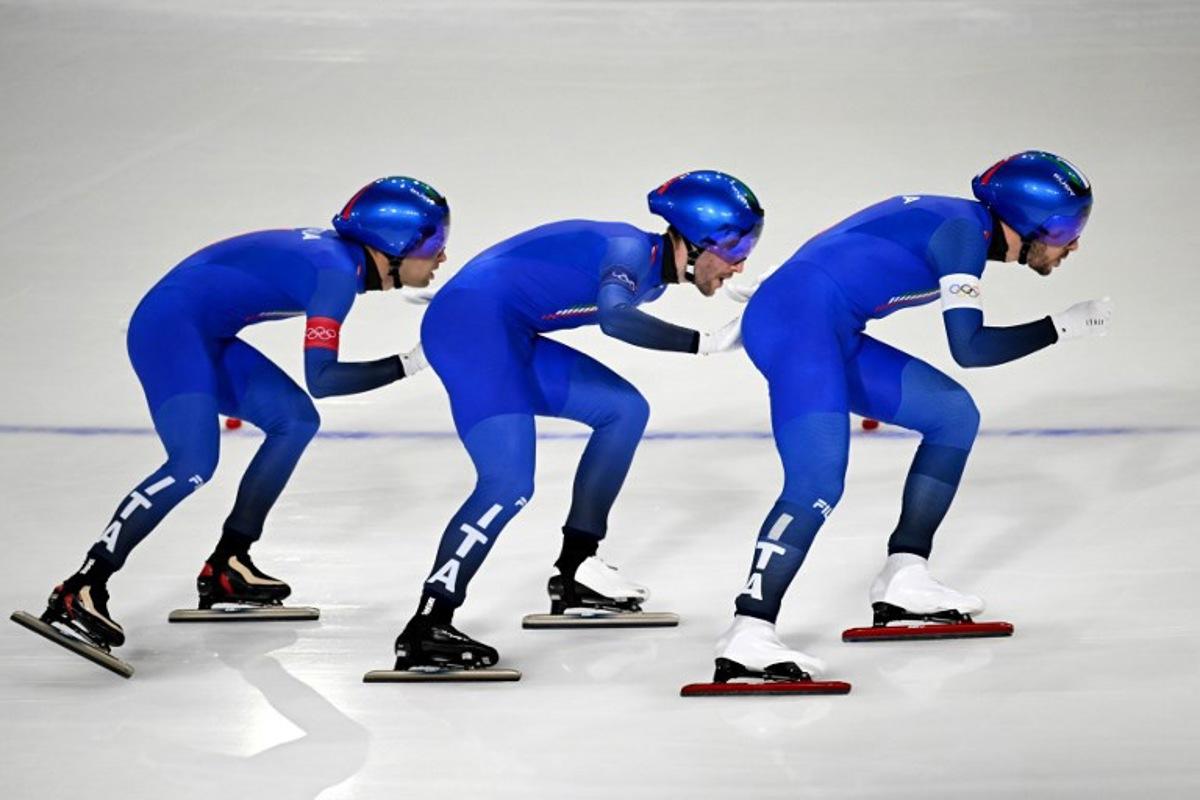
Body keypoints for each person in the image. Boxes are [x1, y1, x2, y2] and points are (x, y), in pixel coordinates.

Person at [715, 151, 1110, 682]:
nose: (1073, 242)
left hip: (816, 323)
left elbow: (856, 234)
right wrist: (1060, 327)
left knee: (952, 414)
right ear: (1024, 217)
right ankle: (748, 631)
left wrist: (783, 281)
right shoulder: (964, 235)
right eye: (1065, 225)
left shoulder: (959, 222)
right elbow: (969, 349)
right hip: (797, 329)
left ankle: (905, 576)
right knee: (817, 482)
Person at [26, 176, 449, 663]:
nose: (441, 256)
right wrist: (410, 362)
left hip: (203, 330)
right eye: (433, 242)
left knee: (294, 420)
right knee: (192, 464)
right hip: (169, 330)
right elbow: (325, 379)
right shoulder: (335, 276)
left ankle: (229, 562)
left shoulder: (342, 262)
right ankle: (82, 585)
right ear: (392, 245)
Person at [391, 170, 764, 672]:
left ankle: (576, 568)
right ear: (697, 240)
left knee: (623, 410)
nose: (740, 264)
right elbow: (613, 317)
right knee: (507, 485)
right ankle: (428, 622)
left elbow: (531, 264)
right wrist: (702, 342)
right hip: (473, 330)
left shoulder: (649, 275)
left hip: (499, 328)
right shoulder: (631, 252)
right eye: (737, 247)